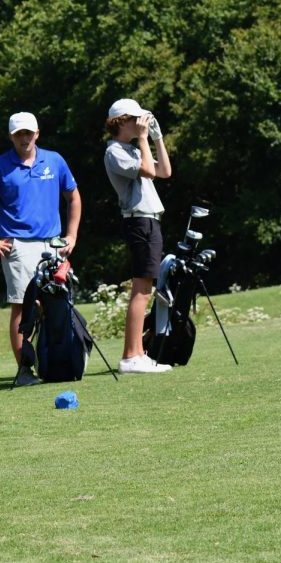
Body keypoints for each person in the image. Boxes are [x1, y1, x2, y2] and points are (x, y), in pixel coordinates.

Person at [0, 111, 82, 385]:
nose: (24, 138)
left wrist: (72, 235)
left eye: (28, 133)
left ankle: (58, 362)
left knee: (58, 304)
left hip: (54, 244)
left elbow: (73, 196)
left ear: (37, 134)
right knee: (22, 307)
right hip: (17, 246)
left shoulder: (54, 160)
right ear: (11, 136)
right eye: (18, 134)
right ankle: (24, 371)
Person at [103, 98, 173, 374]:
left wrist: (157, 138)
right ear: (120, 122)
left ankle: (135, 354)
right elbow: (147, 171)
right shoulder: (115, 152)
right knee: (141, 291)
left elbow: (164, 172)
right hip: (138, 221)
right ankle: (132, 357)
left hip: (149, 221)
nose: (140, 123)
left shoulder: (134, 150)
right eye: (135, 119)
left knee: (145, 289)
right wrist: (144, 139)